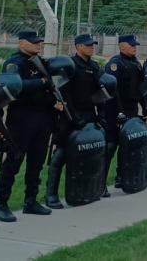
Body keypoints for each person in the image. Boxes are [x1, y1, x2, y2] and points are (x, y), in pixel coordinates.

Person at [0, 30, 61, 222]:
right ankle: (1, 204)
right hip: (22, 119)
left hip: (43, 118)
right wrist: (41, 81)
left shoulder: (40, 62)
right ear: (22, 43)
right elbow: (15, 86)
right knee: (13, 162)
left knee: (36, 163)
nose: (39, 45)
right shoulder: (15, 63)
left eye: (40, 42)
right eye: (34, 42)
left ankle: (30, 201)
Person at [46, 34, 107, 209]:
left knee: (90, 155)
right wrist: (72, 117)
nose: (91, 47)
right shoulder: (70, 65)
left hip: (89, 116)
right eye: (88, 45)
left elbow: (100, 94)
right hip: (69, 116)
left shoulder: (94, 66)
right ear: (78, 46)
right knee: (61, 155)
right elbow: (63, 94)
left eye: (93, 45)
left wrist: (100, 117)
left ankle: (87, 190)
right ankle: (51, 194)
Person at [103, 35, 146, 196]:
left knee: (128, 147)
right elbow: (112, 91)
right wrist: (119, 112)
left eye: (136, 45)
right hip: (115, 110)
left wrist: (145, 108)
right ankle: (101, 183)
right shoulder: (115, 64)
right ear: (121, 46)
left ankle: (122, 177)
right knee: (111, 146)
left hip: (132, 109)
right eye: (131, 45)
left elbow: (141, 89)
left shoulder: (136, 63)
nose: (135, 47)